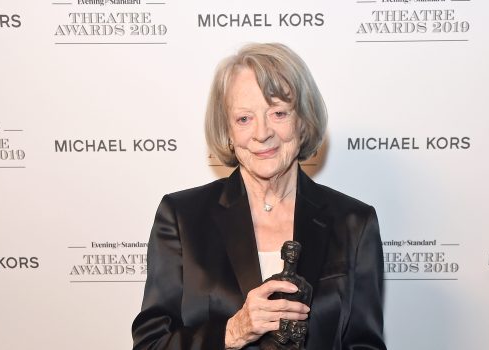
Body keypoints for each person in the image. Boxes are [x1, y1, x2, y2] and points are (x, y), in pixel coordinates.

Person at [132, 43, 386, 350]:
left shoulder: (354, 223)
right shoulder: (182, 218)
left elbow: (365, 344)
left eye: (278, 113)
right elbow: (150, 344)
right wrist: (232, 331)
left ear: (304, 122)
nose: (262, 133)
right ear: (227, 131)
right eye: (244, 119)